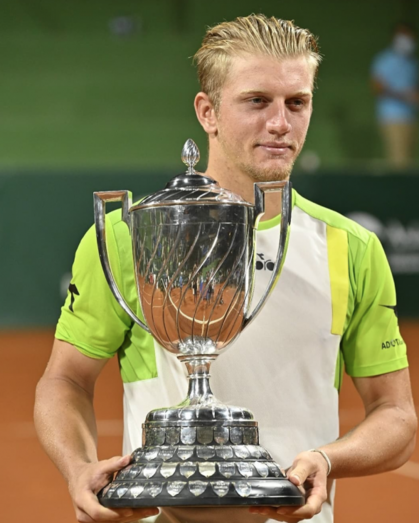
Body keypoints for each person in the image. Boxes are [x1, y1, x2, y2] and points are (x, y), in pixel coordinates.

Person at [35, 14, 417, 523]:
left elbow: (396, 416)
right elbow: (65, 381)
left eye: (296, 102)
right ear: (207, 112)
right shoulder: (131, 237)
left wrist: (327, 460)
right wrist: (78, 466)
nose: (280, 122)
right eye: (257, 101)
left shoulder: (352, 248)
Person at [371, 22, 418, 168]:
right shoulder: (384, 60)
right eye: (402, 35)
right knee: (398, 161)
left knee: (409, 161)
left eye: (408, 35)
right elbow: (377, 87)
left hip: (412, 116)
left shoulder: (413, 63)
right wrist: (405, 96)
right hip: (392, 117)